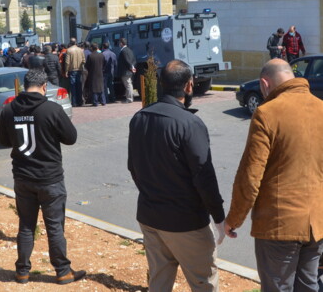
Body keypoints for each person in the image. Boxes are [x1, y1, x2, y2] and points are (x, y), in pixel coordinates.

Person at [225, 59, 323, 291]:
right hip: (317, 224)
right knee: (309, 286)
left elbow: (250, 175)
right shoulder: (321, 108)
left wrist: (234, 219)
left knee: (277, 287)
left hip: (279, 225)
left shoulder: (267, 113)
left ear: (264, 83)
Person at [128, 60, 225, 291]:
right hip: (186, 222)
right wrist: (219, 218)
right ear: (189, 85)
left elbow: (133, 167)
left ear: (162, 84)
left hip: (150, 216)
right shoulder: (190, 123)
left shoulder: (139, 118)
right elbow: (204, 176)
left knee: (159, 282)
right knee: (204, 283)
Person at [0, 69, 85, 285]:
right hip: (50, 178)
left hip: (23, 178)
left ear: (25, 86)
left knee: (26, 225)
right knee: (54, 226)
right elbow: (71, 137)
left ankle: (22, 272)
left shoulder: (9, 110)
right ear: (44, 87)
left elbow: (3, 141)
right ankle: (63, 271)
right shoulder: (51, 109)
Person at [64, 38, 85, 107]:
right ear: (75, 42)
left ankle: (74, 102)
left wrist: (66, 71)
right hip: (79, 69)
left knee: (73, 87)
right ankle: (80, 101)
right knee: (79, 86)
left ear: (70, 43)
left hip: (72, 70)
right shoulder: (80, 50)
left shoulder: (69, 50)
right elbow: (83, 60)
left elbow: (67, 62)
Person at [118, 38, 136, 103]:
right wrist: (133, 67)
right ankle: (130, 97)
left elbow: (126, 60)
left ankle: (129, 98)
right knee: (129, 84)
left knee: (128, 85)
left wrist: (130, 67)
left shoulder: (123, 51)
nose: (119, 44)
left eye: (119, 42)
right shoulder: (130, 50)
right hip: (130, 71)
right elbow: (134, 60)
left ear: (121, 43)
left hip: (125, 71)